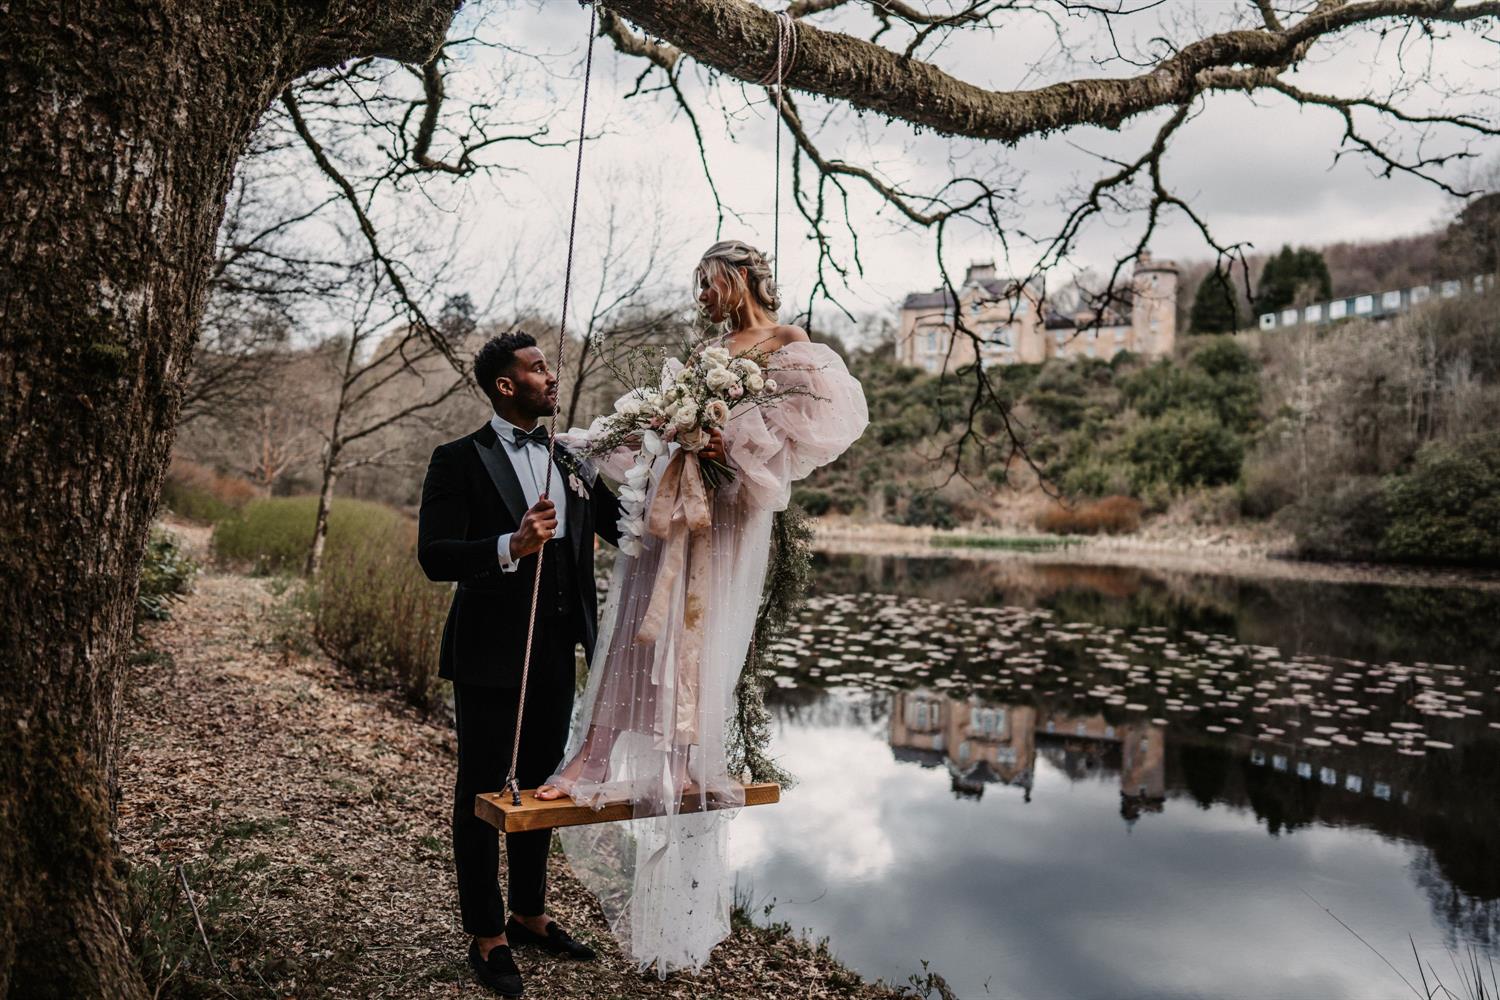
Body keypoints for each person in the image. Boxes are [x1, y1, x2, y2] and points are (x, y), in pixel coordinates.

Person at [539, 240, 869, 974]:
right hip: (672, 504)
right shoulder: (709, 351)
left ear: (742, 278)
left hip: (728, 513)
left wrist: (730, 438)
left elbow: (817, 432)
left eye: (711, 283)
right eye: (700, 287)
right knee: (633, 624)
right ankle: (592, 757)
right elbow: (663, 427)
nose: (705, 298)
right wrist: (625, 438)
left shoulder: (790, 344)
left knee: (699, 631)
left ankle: (687, 760)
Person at [417, 333, 622, 998]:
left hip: (558, 651)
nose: (550, 375)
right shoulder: (458, 459)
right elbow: (435, 555)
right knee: (480, 793)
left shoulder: (575, 458)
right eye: (537, 368)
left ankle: (529, 914)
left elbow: (633, 525)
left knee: (542, 786)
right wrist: (511, 543)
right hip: (486, 650)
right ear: (506, 385)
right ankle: (486, 933)